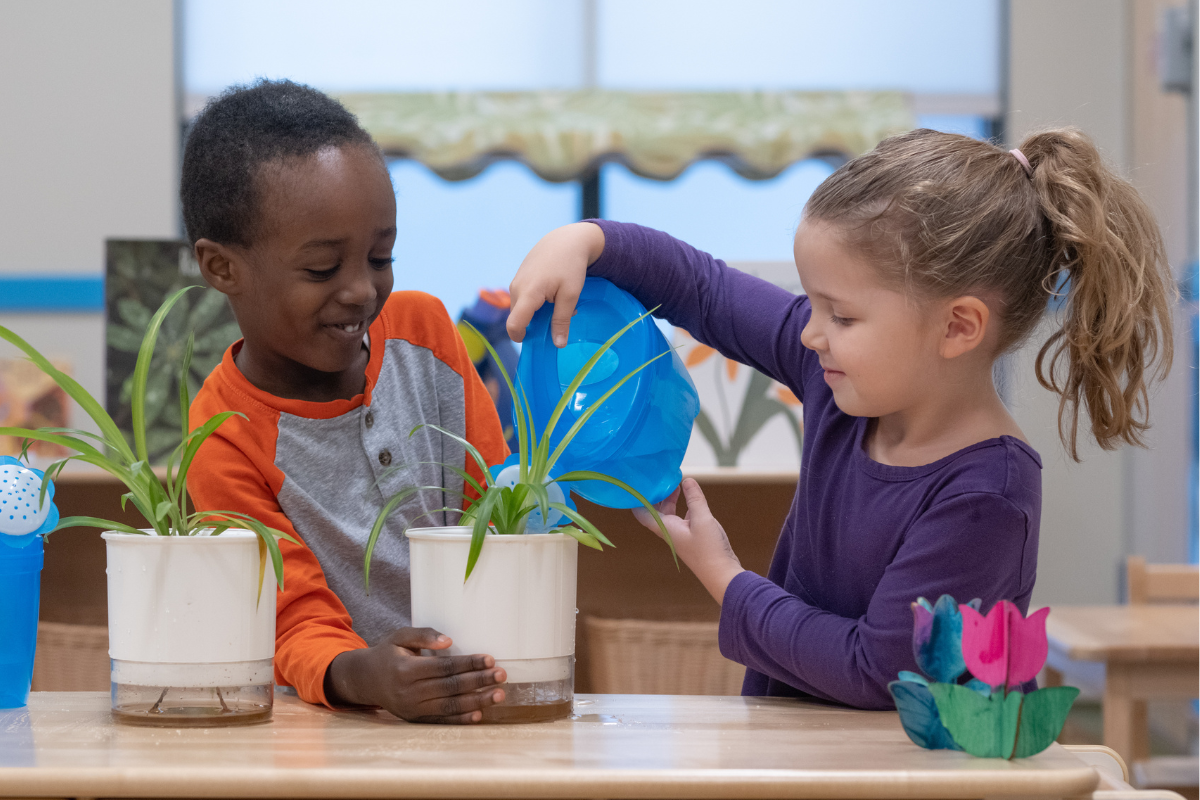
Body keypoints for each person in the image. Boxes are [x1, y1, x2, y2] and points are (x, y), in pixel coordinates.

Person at [505, 128, 1175, 709]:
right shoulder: (842, 387)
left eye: (842, 315)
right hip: (810, 761)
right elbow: (699, 287)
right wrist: (586, 239)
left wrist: (725, 576)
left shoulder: (987, 495)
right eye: (813, 305)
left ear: (958, 327)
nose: (809, 334)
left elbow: (875, 671)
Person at [184, 80, 510, 723]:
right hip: (333, 733)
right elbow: (290, 615)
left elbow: (497, 511)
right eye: (322, 270)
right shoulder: (222, 434)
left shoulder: (427, 334)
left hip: (482, 706)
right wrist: (367, 675)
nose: (362, 290)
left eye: (380, 256)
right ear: (222, 268)